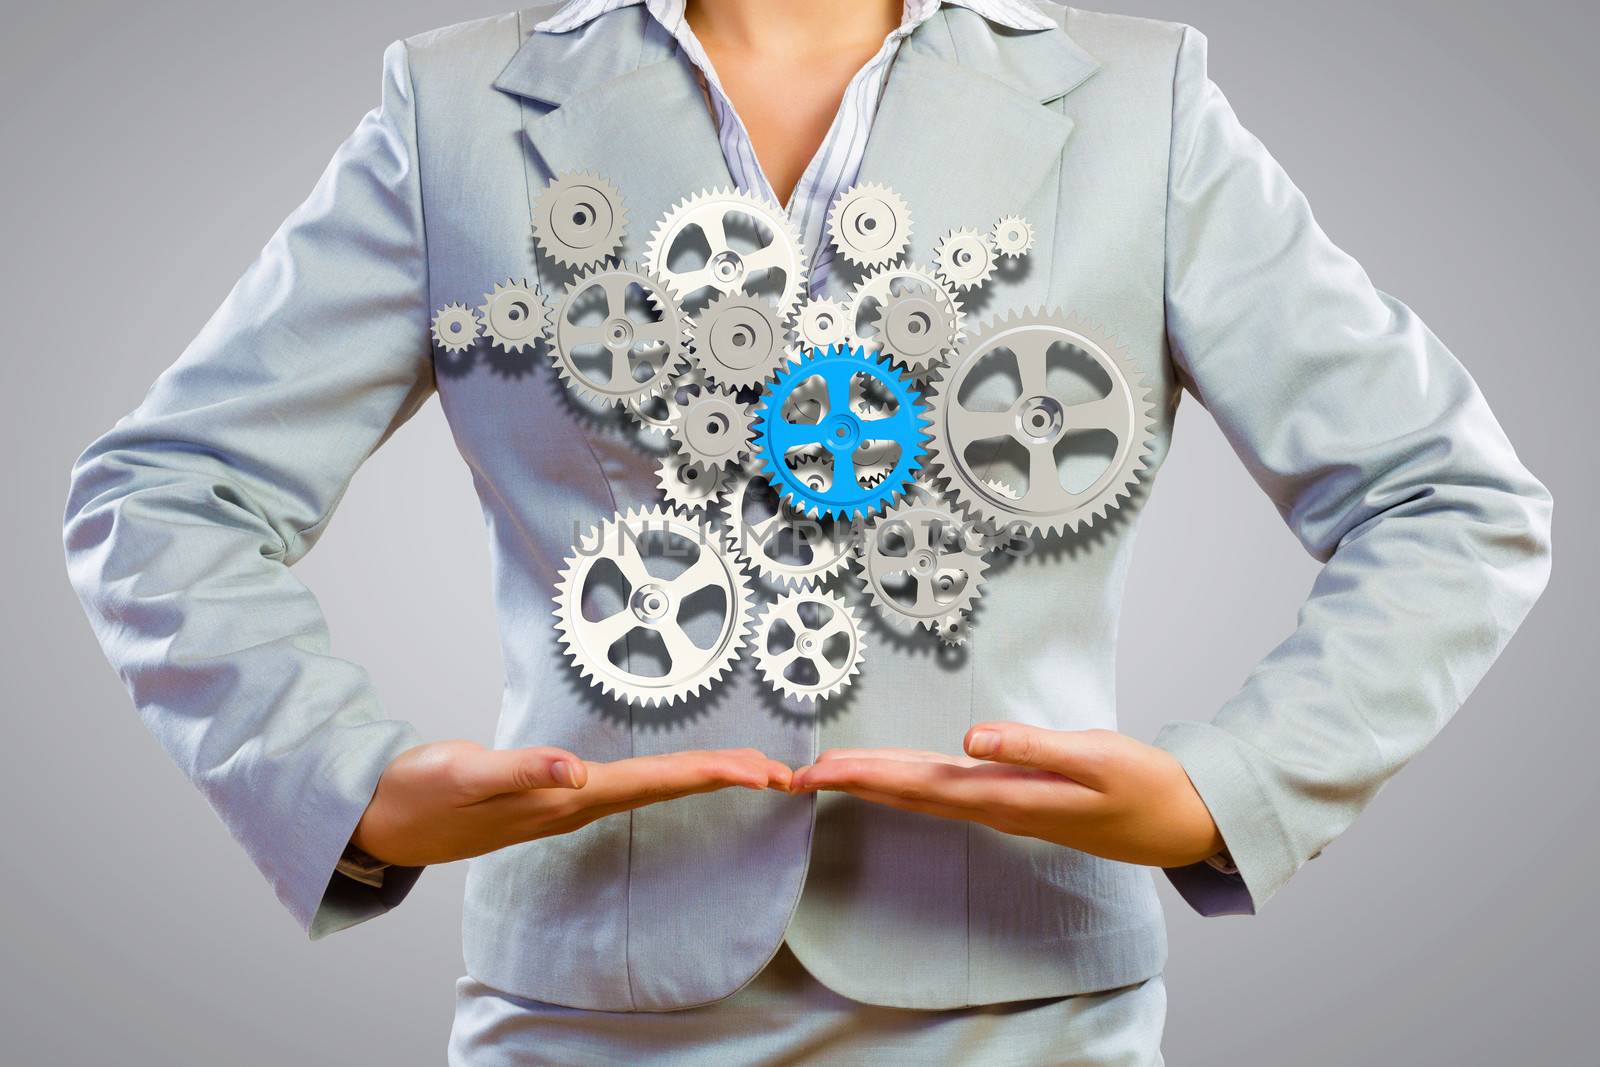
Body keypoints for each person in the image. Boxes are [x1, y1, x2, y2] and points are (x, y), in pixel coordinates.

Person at [60, 1, 1553, 1063]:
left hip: (1023, 1011)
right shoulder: (452, 105)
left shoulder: (1137, 99)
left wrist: (1227, 788)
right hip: (590, 1008)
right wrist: (350, 785)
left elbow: (1452, 503)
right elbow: (165, 498)